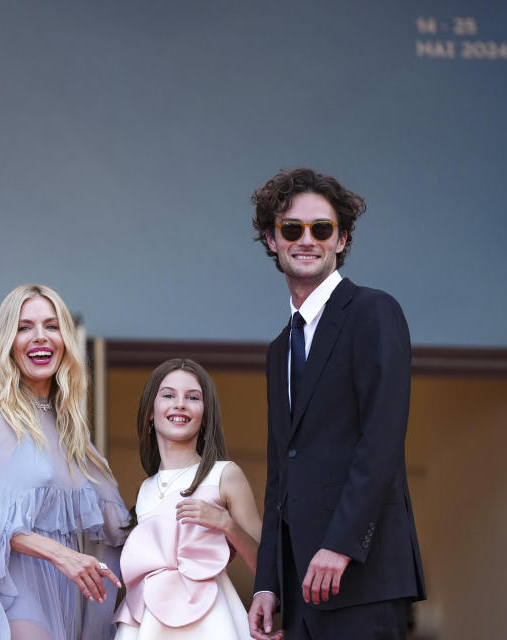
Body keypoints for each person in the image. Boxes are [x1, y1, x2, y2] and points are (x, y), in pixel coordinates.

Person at [247, 168, 426, 640]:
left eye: (321, 228)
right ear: (272, 239)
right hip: (299, 588)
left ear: (341, 239)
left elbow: (382, 439)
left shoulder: (373, 311)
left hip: (363, 577)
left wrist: (340, 544)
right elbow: (279, 476)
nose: (307, 240)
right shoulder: (278, 349)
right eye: (292, 228)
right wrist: (267, 581)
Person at [0, 284, 129, 640]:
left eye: (52, 326)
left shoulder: (73, 431)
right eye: (25, 327)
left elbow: (119, 526)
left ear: (66, 340)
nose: (39, 337)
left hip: (69, 603)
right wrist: (59, 553)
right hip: (13, 595)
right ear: (8, 341)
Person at [114, 358, 262, 639]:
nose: (180, 403)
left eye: (193, 397)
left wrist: (227, 524)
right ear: (150, 411)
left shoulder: (225, 475)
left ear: (205, 415)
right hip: (149, 622)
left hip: (210, 622)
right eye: (168, 395)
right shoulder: (145, 490)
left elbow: (267, 569)